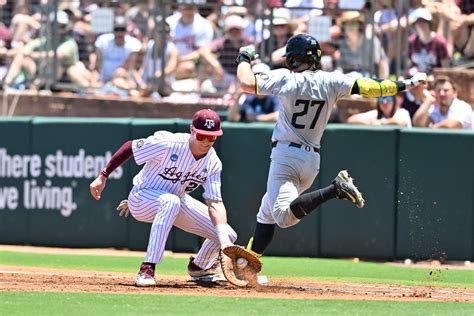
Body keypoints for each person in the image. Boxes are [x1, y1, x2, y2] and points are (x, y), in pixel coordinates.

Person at [235, 34, 427, 258]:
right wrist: (406, 83)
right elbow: (374, 88)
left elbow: (246, 83)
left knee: (283, 217)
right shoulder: (333, 81)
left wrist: (244, 59)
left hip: (286, 155)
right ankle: (247, 264)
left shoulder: (287, 78)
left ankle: (335, 189)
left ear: (294, 58)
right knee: (266, 211)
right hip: (311, 161)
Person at [89, 109, 237, 287]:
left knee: (227, 234)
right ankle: (147, 267)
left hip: (177, 200)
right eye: (201, 135)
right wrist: (103, 176)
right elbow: (131, 146)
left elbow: (215, 203)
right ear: (192, 130)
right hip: (142, 197)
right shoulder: (168, 143)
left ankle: (200, 267)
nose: (206, 141)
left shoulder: (213, 163)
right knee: (170, 201)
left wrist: (225, 243)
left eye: (211, 137)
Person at [347, 95, 412, 128]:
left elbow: (400, 122)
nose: (385, 101)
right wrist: (371, 122)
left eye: (388, 98)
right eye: (381, 98)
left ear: (394, 101)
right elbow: (351, 120)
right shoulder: (376, 113)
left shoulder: (402, 112)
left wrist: (381, 122)